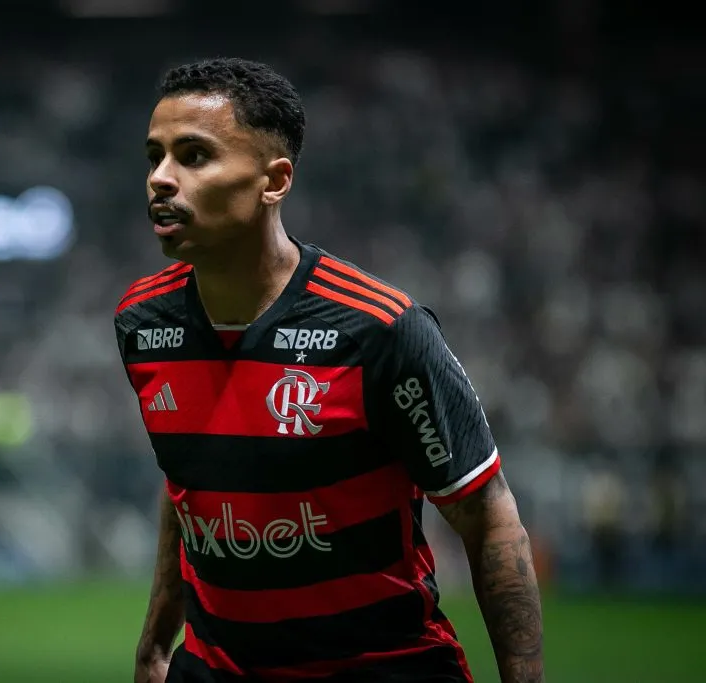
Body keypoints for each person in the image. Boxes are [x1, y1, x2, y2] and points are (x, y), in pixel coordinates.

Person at [114, 57, 544, 683]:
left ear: (274, 180)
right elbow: (187, 483)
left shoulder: (380, 329)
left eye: (194, 156)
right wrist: (156, 641)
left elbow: (487, 513)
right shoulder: (141, 323)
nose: (160, 178)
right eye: (154, 156)